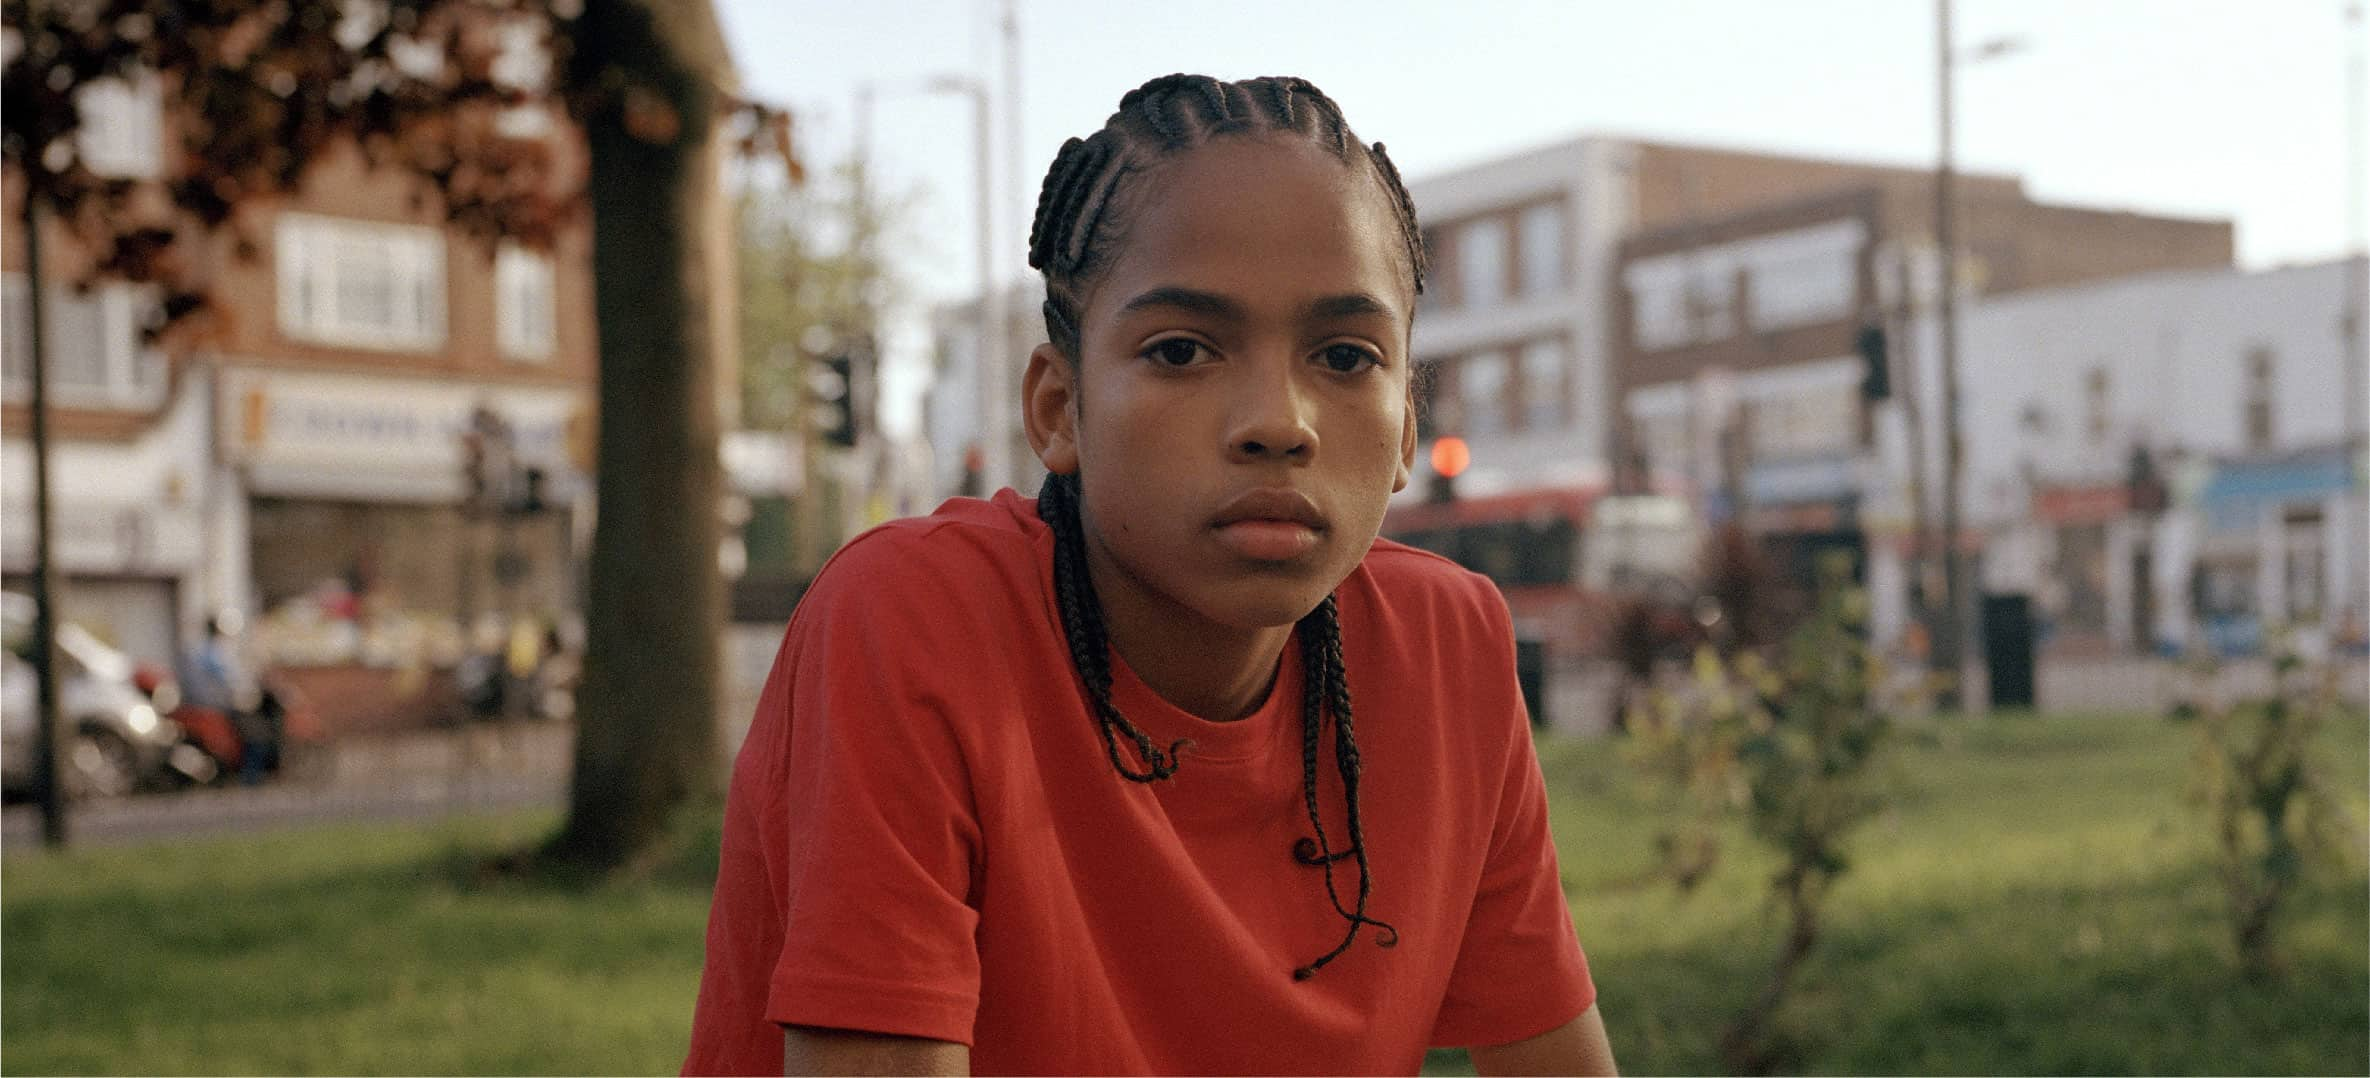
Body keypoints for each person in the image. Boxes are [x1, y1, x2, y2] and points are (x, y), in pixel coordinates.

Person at [683, 74, 1616, 1076]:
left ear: (1406, 431)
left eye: (1345, 356)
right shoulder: (914, 622)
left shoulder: (1448, 646)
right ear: (1057, 409)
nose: (1279, 422)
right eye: (1181, 350)